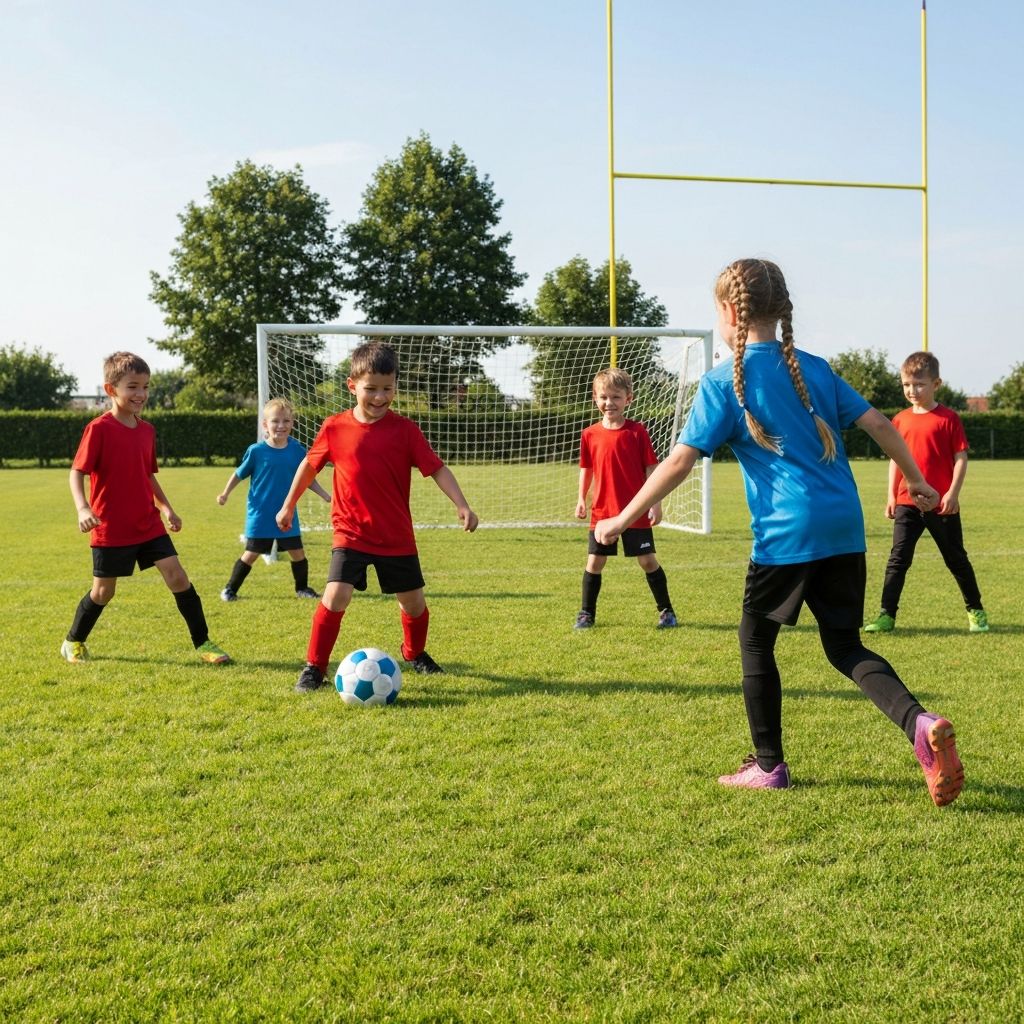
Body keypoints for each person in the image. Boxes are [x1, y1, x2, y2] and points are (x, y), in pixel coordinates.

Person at [595, 259, 963, 806]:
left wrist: (623, 518)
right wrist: (916, 480)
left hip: (786, 535)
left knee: (755, 640)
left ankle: (768, 765)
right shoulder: (814, 368)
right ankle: (919, 721)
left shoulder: (723, 383)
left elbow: (677, 463)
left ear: (727, 312)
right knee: (844, 645)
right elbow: (882, 424)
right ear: (782, 311)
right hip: (844, 526)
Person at [276, 341, 479, 693]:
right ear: (352, 385)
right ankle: (314, 667)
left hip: (396, 534)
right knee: (335, 596)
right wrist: (289, 503)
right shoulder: (335, 427)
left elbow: (437, 469)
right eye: (371, 389)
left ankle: (414, 653)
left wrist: (461, 504)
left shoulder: (406, 431)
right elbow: (309, 466)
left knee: (414, 605)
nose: (380, 397)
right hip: (350, 532)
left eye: (388, 389)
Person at [61, 352, 231, 665]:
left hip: (147, 523)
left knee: (177, 577)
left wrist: (166, 508)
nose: (141, 394)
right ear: (111, 389)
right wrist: (83, 508)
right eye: (133, 387)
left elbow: (147, 475)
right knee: (103, 593)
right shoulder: (98, 429)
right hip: (110, 527)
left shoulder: (147, 430)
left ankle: (204, 643)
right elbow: (77, 472)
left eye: (146, 387)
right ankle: (73, 640)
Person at [864, 351, 988, 635]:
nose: (912, 390)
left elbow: (960, 458)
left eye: (919, 384)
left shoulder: (948, 418)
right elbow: (896, 459)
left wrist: (952, 494)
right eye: (907, 384)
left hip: (941, 503)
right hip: (908, 502)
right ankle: (886, 615)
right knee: (898, 559)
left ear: (936, 383)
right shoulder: (899, 420)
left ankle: (976, 611)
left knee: (956, 558)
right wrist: (892, 496)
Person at [574, 367, 678, 630]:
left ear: (628, 399)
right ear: (595, 398)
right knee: (595, 562)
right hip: (602, 512)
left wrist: (656, 503)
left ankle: (666, 612)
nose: (610, 403)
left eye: (616, 397)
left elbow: (652, 470)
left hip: (635, 510)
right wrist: (581, 499)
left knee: (647, 561)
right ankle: (586, 614)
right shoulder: (589, 434)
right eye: (604, 397)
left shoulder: (637, 432)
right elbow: (586, 469)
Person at [216, 397, 330, 602]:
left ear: (292, 424)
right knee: (251, 554)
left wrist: (324, 495)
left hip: (287, 514)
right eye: (276, 421)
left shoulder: (297, 450)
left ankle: (302, 588)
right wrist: (225, 493)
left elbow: (307, 479)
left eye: (286, 421)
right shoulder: (257, 451)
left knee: (298, 553)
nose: (281, 426)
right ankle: (230, 589)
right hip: (260, 515)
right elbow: (238, 474)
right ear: (265, 425)